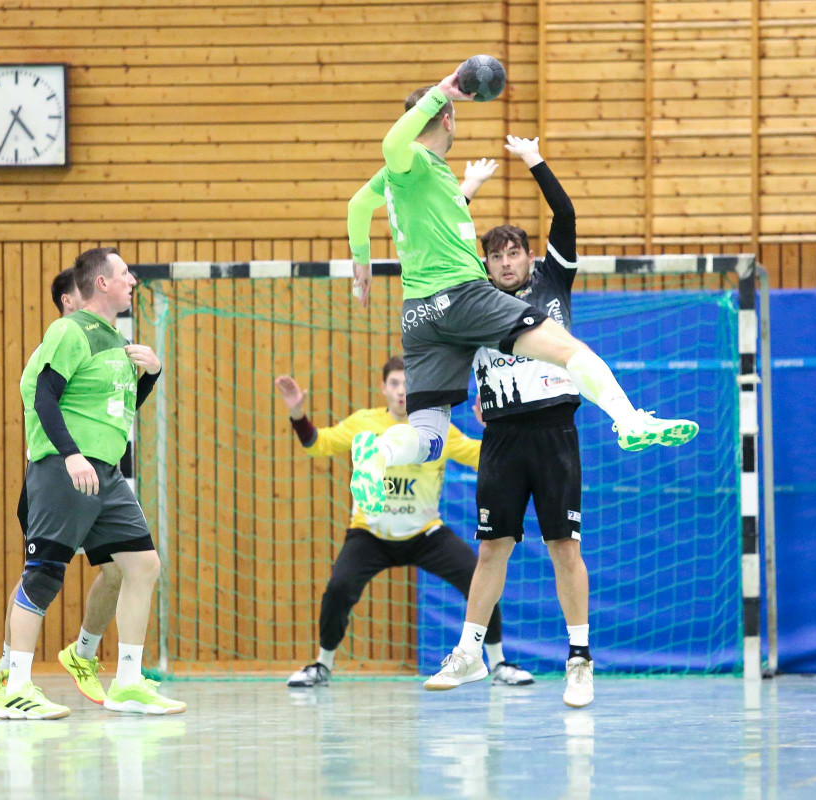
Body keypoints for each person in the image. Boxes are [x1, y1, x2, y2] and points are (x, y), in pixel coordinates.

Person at [344, 65, 697, 520]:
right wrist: (442, 91)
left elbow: (357, 205)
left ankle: (378, 454)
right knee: (570, 350)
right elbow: (392, 144)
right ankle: (628, 420)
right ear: (448, 120)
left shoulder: (411, 179)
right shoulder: (413, 159)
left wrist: (361, 259)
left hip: (419, 315)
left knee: (430, 438)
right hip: (462, 297)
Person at [424, 136, 594, 705]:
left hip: (554, 433)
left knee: (563, 547)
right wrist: (466, 190)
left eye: (512, 252)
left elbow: (565, 215)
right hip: (500, 438)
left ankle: (579, 660)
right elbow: (442, 239)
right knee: (493, 548)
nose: (504, 261)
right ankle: (470, 652)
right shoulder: (472, 295)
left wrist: (534, 161)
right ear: (486, 263)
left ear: (528, 256)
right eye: (495, 255)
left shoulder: (553, 281)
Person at [0, 247, 185, 719]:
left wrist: (151, 376)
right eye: (125, 274)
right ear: (101, 283)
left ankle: (127, 682)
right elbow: (44, 395)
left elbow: (117, 410)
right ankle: (13, 686)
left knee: (141, 565)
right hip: (66, 469)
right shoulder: (68, 331)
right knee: (43, 575)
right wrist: (71, 454)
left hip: (107, 475)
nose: (133, 280)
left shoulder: (116, 340)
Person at [275, 356, 533, 688]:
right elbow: (316, 444)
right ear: (383, 388)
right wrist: (297, 413)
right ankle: (322, 665)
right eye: (394, 383)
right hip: (370, 534)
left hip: (425, 534)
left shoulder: (437, 431)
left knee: (478, 580)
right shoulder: (363, 423)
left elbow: (483, 457)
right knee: (338, 589)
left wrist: (493, 428)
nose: (401, 391)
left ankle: (497, 664)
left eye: (407, 384)